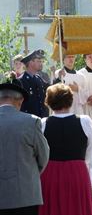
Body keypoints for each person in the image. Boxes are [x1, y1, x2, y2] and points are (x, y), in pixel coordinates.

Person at [39, 83, 92, 215]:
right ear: (71, 100)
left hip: (50, 172)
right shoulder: (85, 121)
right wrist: (82, 164)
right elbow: (90, 150)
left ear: (49, 102)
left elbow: (40, 152)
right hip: (78, 171)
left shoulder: (43, 123)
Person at [0, 73, 49, 215]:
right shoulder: (31, 122)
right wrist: (29, 173)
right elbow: (43, 156)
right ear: (20, 101)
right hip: (25, 194)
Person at [19, 49, 49, 117]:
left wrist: (59, 78)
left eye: (41, 61)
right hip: (29, 120)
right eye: (38, 61)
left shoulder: (38, 78)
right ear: (30, 63)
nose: (41, 63)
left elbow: (50, 88)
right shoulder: (21, 81)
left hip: (41, 119)